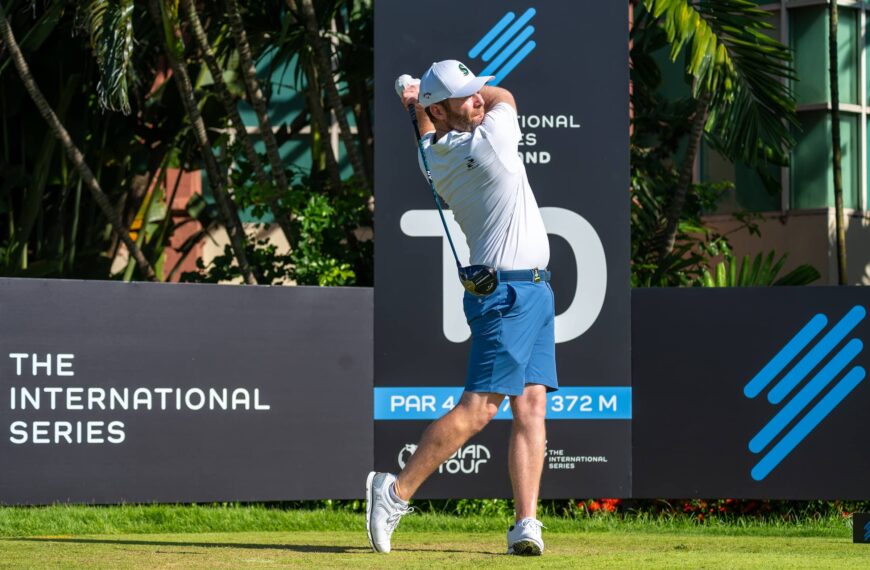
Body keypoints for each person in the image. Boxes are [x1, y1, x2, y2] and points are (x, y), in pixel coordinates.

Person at [366, 59, 557, 556]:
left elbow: (429, 130)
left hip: (532, 291)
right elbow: (505, 97)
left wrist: (418, 102)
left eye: (476, 92)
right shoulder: (490, 140)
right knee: (478, 411)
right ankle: (393, 493)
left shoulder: (433, 157)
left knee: (531, 405)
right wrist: (418, 99)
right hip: (510, 295)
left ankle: (525, 524)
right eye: (466, 96)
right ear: (443, 110)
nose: (478, 99)